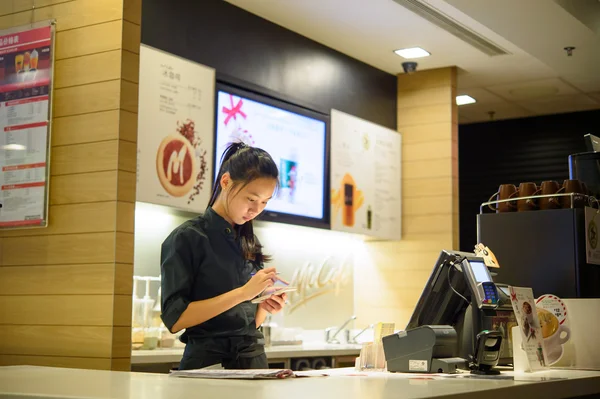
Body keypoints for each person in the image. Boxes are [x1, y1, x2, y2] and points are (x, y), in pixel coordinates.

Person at [160, 142, 286, 370]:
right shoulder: (187, 238)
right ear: (226, 182)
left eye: (264, 203)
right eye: (251, 199)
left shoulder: (248, 241)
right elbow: (175, 319)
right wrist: (243, 293)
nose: (256, 210)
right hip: (207, 366)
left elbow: (250, 324)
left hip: (254, 363)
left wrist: (265, 306)